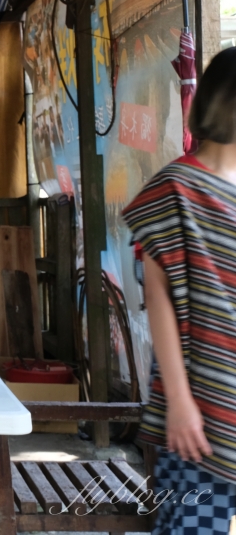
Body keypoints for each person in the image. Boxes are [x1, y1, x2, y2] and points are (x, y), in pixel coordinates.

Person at [123, 46, 236, 533]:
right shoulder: (176, 188)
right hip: (199, 415)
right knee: (191, 528)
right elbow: (159, 300)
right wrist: (183, 402)